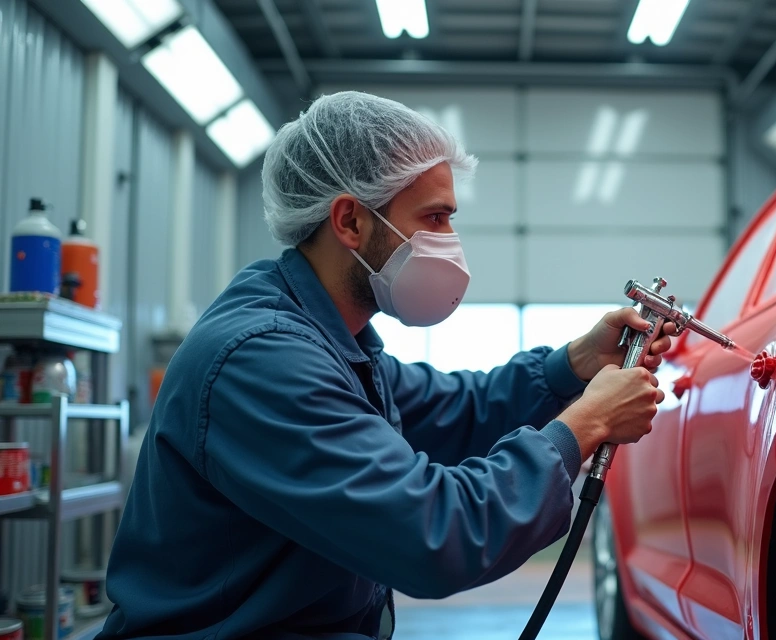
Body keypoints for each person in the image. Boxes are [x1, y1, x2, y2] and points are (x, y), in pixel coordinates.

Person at [97, 91, 675, 640]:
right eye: (435, 218)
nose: (450, 242)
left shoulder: (335, 344)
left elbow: (456, 410)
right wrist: (584, 427)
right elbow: (436, 536)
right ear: (349, 221)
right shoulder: (263, 359)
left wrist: (574, 364)